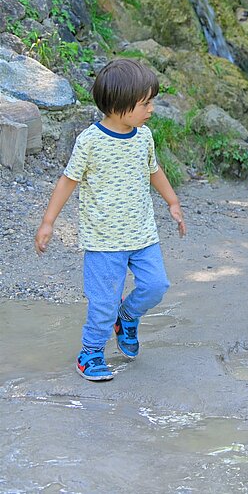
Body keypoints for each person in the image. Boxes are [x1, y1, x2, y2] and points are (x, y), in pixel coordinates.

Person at [34, 58, 187, 381]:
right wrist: (48, 222)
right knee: (103, 302)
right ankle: (90, 352)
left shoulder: (143, 136)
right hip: (104, 240)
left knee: (156, 285)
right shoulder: (90, 141)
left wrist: (172, 201)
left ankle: (128, 316)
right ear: (119, 106)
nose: (152, 109)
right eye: (145, 103)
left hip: (142, 233)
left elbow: (153, 171)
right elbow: (67, 180)